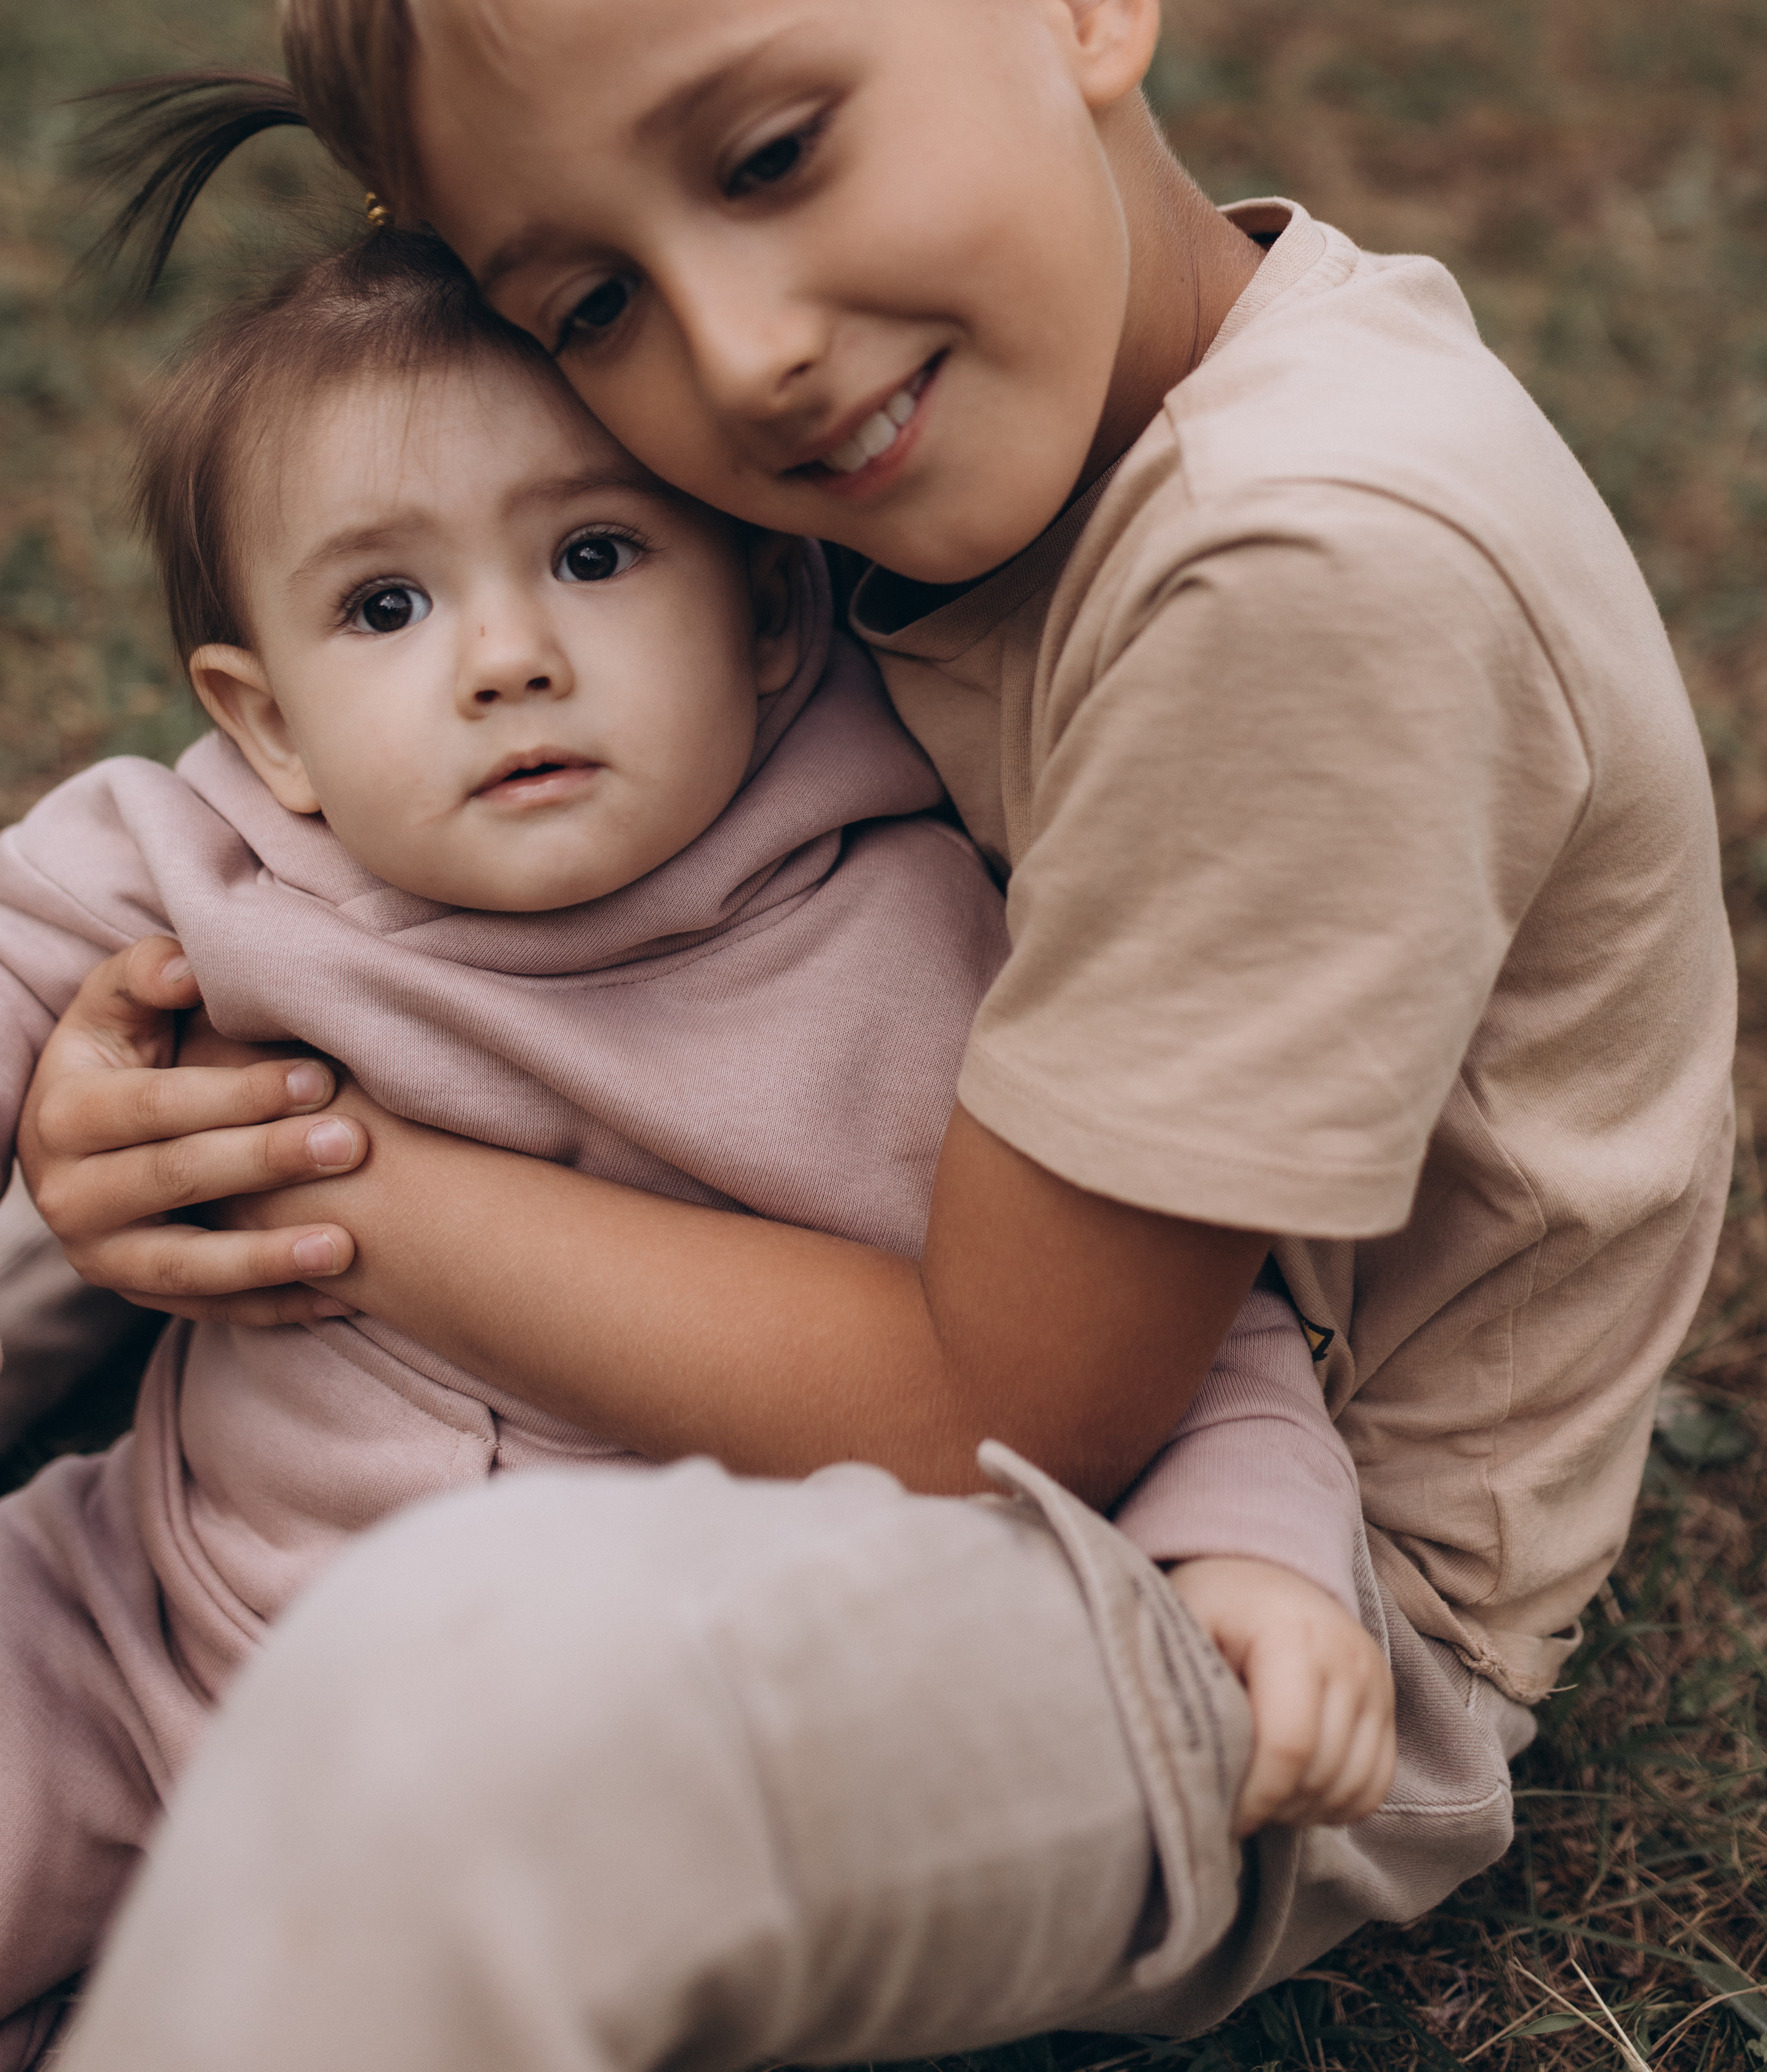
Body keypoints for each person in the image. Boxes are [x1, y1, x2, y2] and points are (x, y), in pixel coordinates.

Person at [21, 0, 1734, 2072]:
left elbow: (1008, 1411)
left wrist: (300, 1171)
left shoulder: (1311, 564)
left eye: (775, 152)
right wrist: (111, 1099)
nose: (737, 358)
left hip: (1209, 1604)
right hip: (660, 1333)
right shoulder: (939, 459)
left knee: (450, 1696)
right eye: (582, 299)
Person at [0, 227, 1382, 2071]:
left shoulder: (911, 948)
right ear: (269, 723)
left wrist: (1252, 1558)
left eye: (592, 556)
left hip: (541, 1753)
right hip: (132, 1622)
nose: (504, 658)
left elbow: (1168, 1325)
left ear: (770, 620)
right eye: (386, 608)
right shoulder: (213, 855)